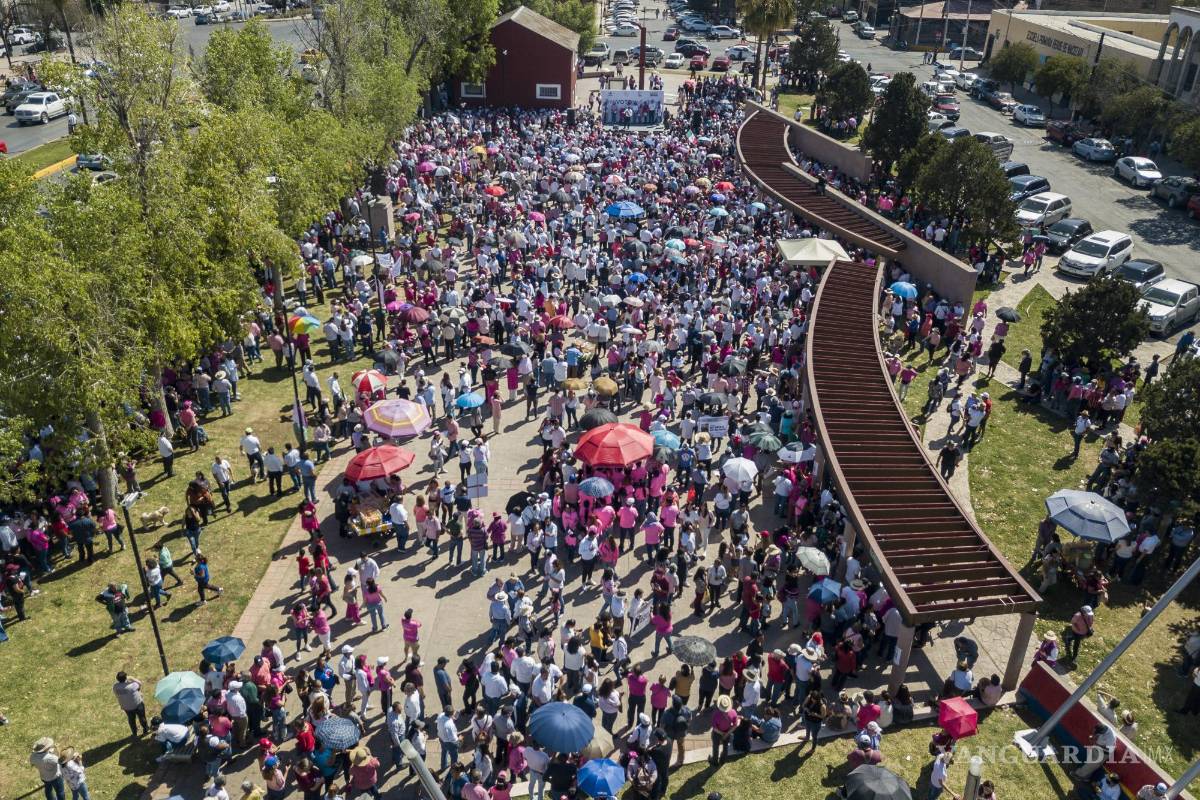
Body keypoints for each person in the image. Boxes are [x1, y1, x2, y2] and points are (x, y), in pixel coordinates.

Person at [113, 672, 150, 737]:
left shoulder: (115, 687)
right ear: (126, 677)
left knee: (131, 719)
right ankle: (145, 729)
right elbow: (139, 683)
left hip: (126, 707)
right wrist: (131, 678)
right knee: (142, 717)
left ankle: (134, 732)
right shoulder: (132, 685)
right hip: (137, 704)